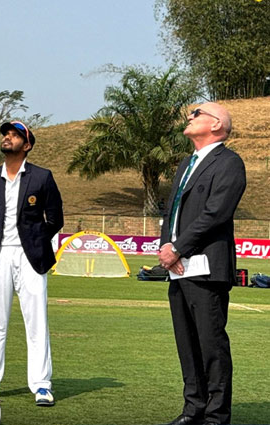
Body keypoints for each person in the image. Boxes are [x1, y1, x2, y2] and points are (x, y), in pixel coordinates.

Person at [159, 102, 245, 425]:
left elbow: (215, 213)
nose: (190, 116)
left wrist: (179, 248)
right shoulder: (187, 163)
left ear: (216, 124)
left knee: (212, 347)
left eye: (197, 113)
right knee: (187, 345)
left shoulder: (230, 163)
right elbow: (172, 211)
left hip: (207, 269)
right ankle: (193, 408)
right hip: (178, 269)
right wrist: (166, 247)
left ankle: (216, 415)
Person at [0, 121, 63, 407]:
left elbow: (55, 219)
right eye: (6, 134)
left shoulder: (42, 177)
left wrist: (35, 240)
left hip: (32, 258)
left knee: (36, 323)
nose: (7, 138)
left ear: (26, 145)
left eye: (14, 135)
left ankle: (41, 385)